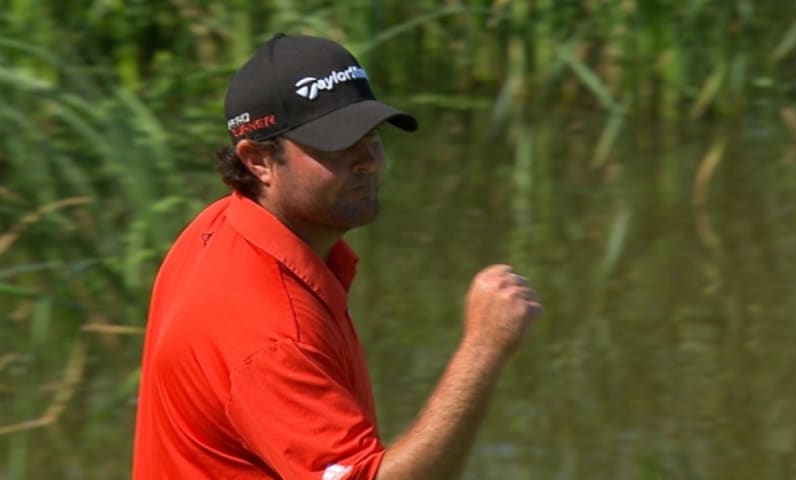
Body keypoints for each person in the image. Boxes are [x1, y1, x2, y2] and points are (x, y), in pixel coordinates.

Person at [132, 33, 542, 480]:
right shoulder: (270, 337)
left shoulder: (221, 226)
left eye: (372, 135)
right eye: (335, 144)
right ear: (258, 161)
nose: (368, 160)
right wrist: (483, 349)